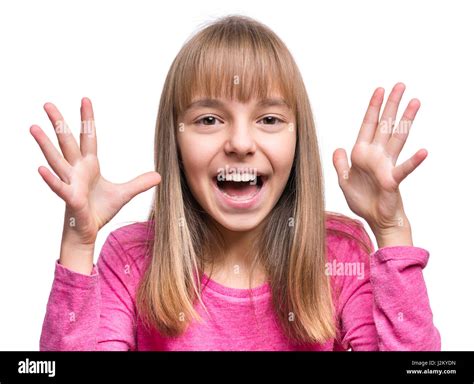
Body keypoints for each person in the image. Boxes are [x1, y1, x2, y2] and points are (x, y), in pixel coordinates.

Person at [32, 15, 440, 351]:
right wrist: (78, 245)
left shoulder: (339, 255)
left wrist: (392, 231)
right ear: (175, 141)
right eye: (209, 120)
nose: (241, 143)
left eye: (269, 119)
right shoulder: (132, 259)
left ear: (298, 142)